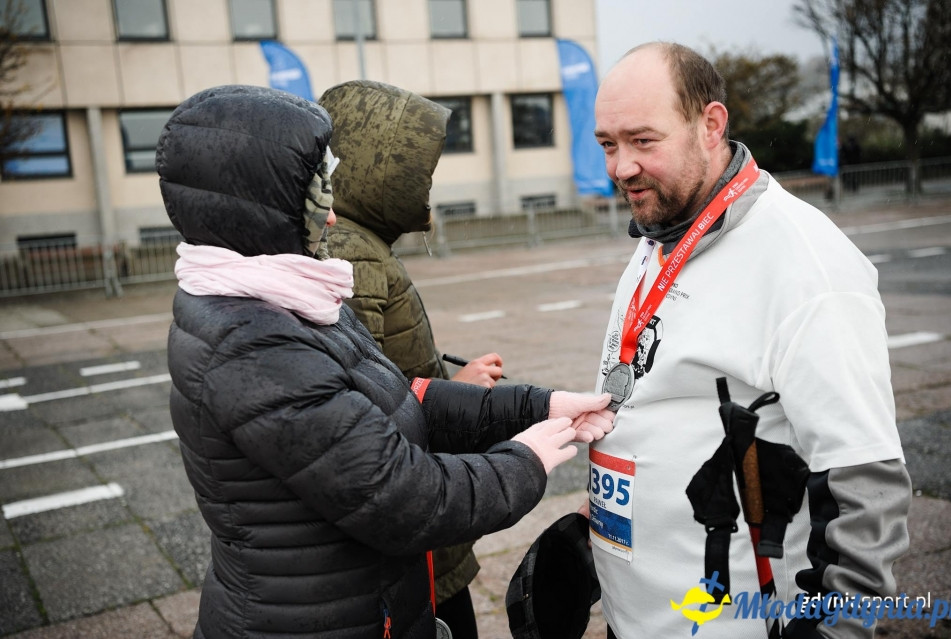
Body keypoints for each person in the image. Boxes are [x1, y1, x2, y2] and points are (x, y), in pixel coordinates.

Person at [157, 84, 615, 639]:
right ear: (263, 207)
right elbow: (402, 498)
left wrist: (537, 406)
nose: (330, 220)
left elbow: (397, 395)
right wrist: (527, 459)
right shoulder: (253, 341)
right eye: (315, 197)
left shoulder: (291, 296)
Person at [587, 43, 911, 639]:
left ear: (711, 125)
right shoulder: (662, 229)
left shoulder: (806, 265)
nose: (620, 167)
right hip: (637, 618)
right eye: (608, 144)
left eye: (642, 141)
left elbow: (866, 486)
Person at [319, 79, 499, 639]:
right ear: (375, 163)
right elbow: (362, 401)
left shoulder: (353, 241)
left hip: (411, 529)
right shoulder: (353, 253)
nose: (424, 181)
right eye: (414, 165)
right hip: (411, 547)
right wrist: (461, 391)